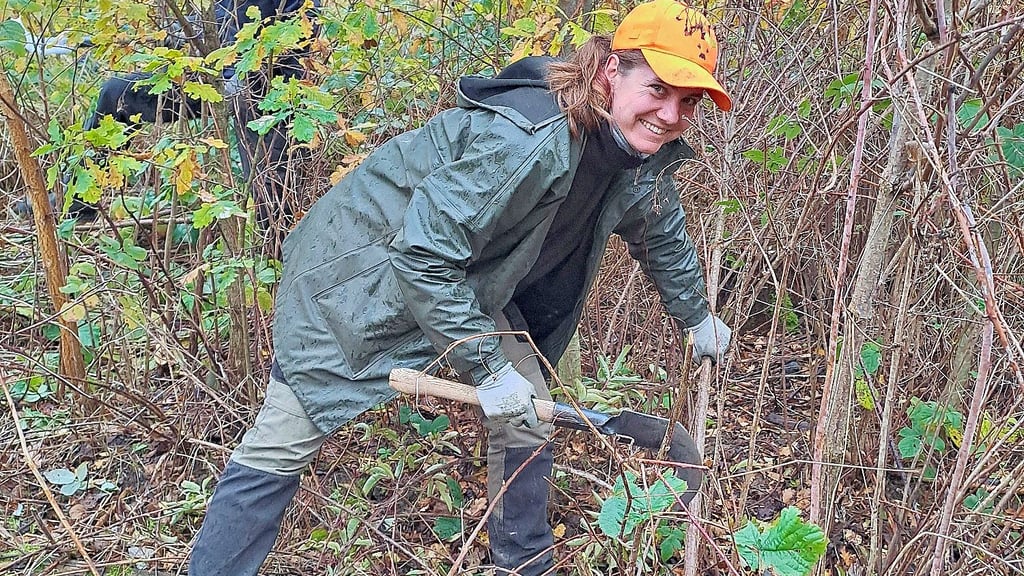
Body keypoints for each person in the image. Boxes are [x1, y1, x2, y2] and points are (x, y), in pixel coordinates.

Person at [188, 0, 733, 574]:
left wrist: (696, 316)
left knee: (527, 412)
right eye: (657, 89)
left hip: (467, 279)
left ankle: (523, 563)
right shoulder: (529, 140)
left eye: (687, 101)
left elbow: (659, 230)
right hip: (358, 279)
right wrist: (488, 368)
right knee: (286, 434)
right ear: (610, 71)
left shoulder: (634, 154)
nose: (670, 114)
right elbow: (422, 253)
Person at [13, 0, 317, 254]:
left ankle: (283, 273)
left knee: (274, 201)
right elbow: (211, 24)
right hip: (212, 76)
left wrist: (246, 76)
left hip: (271, 89)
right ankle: (78, 202)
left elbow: (304, 28)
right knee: (117, 94)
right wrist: (163, 34)